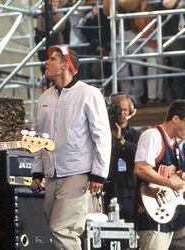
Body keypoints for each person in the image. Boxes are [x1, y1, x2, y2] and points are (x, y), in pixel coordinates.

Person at [30, 45, 111, 249]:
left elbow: (102, 135)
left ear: (65, 65)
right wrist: (37, 172)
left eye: (52, 59)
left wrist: (98, 174)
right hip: (51, 174)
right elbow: (39, 138)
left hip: (78, 173)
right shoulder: (44, 98)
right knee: (56, 227)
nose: (46, 63)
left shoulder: (89, 94)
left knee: (62, 229)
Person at [134, 100, 185, 249]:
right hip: (153, 206)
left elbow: (177, 177)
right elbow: (140, 168)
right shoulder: (152, 135)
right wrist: (169, 183)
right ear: (175, 119)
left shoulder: (176, 146)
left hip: (174, 206)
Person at [104, 93, 141, 222]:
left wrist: (121, 141)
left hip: (129, 190)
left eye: (125, 110)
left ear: (130, 111)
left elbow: (139, 156)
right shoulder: (103, 132)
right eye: (119, 109)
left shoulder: (135, 134)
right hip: (108, 187)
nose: (122, 113)